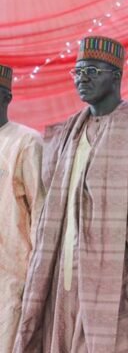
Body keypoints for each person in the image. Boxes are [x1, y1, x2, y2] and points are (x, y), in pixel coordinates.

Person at [13, 36, 128, 353]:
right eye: (77, 72)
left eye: (91, 70)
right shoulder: (67, 132)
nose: (82, 78)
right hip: (64, 266)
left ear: (116, 76)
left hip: (119, 268)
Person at [0, 63, 44, 353]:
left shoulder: (26, 142)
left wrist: (36, 278)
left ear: (6, 98)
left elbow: (41, 214)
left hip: (12, 276)